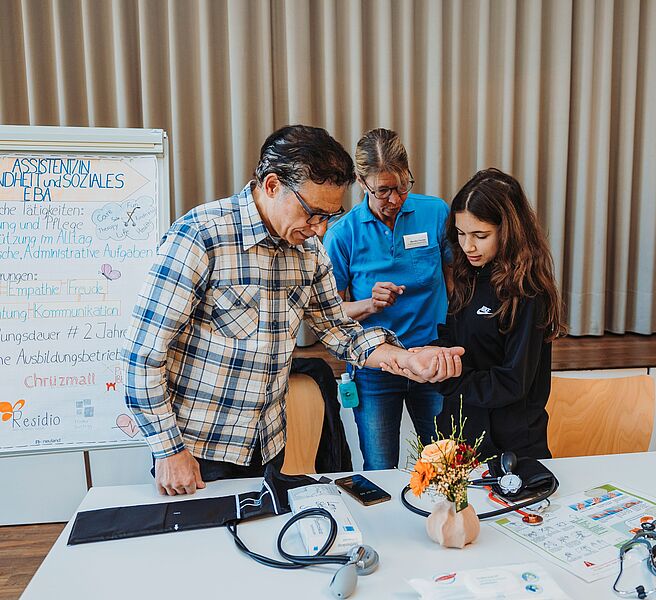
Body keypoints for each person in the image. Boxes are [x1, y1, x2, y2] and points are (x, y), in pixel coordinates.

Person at [123, 125, 464, 496]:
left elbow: (341, 332)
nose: (319, 230)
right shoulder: (201, 236)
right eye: (312, 213)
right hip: (198, 450)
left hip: (267, 444)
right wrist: (168, 449)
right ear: (273, 185)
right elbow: (142, 355)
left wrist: (406, 359)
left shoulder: (308, 252)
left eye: (329, 216)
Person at [381, 168, 565, 460]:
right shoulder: (469, 274)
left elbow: (512, 382)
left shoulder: (528, 293)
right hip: (460, 435)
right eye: (461, 233)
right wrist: (432, 355)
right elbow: (456, 337)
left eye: (480, 235)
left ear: (509, 231)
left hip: (511, 448)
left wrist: (447, 379)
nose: (468, 246)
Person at [323, 128, 451, 469]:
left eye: (401, 186)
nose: (394, 199)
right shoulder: (342, 234)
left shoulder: (436, 213)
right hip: (376, 367)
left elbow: (458, 285)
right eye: (382, 191)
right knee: (380, 468)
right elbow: (330, 313)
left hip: (432, 359)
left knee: (444, 464)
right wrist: (370, 304)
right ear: (361, 183)